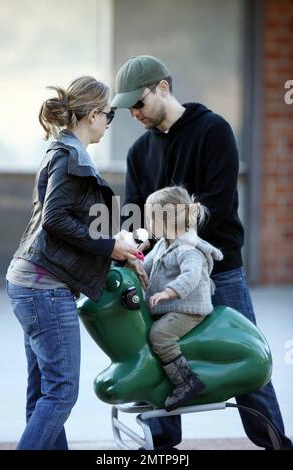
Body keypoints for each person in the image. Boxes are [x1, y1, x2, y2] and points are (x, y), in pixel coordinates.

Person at [112, 55, 293, 450]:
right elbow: (133, 219)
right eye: (128, 108)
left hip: (220, 270)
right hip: (160, 276)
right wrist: (136, 244)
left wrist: (166, 237)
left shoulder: (214, 131)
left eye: (138, 103)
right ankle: (160, 447)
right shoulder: (138, 153)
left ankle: (276, 443)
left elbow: (218, 204)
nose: (134, 113)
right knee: (155, 356)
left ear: (162, 87)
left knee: (247, 358)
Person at [6, 76, 138, 450]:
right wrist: (110, 246)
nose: (109, 122)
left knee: (44, 394)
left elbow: (62, 220)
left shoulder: (60, 151)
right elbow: (55, 219)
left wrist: (112, 242)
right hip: (44, 289)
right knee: (61, 394)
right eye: (109, 115)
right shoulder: (69, 157)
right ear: (94, 114)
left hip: (31, 283)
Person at [140, 186, 223, 411]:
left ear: (169, 220)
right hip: (174, 306)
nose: (148, 224)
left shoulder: (188, 247)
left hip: (190, 308)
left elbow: (192, 275)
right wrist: (134, 258)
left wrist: (169, 292)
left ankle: (186, 382)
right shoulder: (163, 244)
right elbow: (145, 267)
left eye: (151, 218)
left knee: (160, 335)